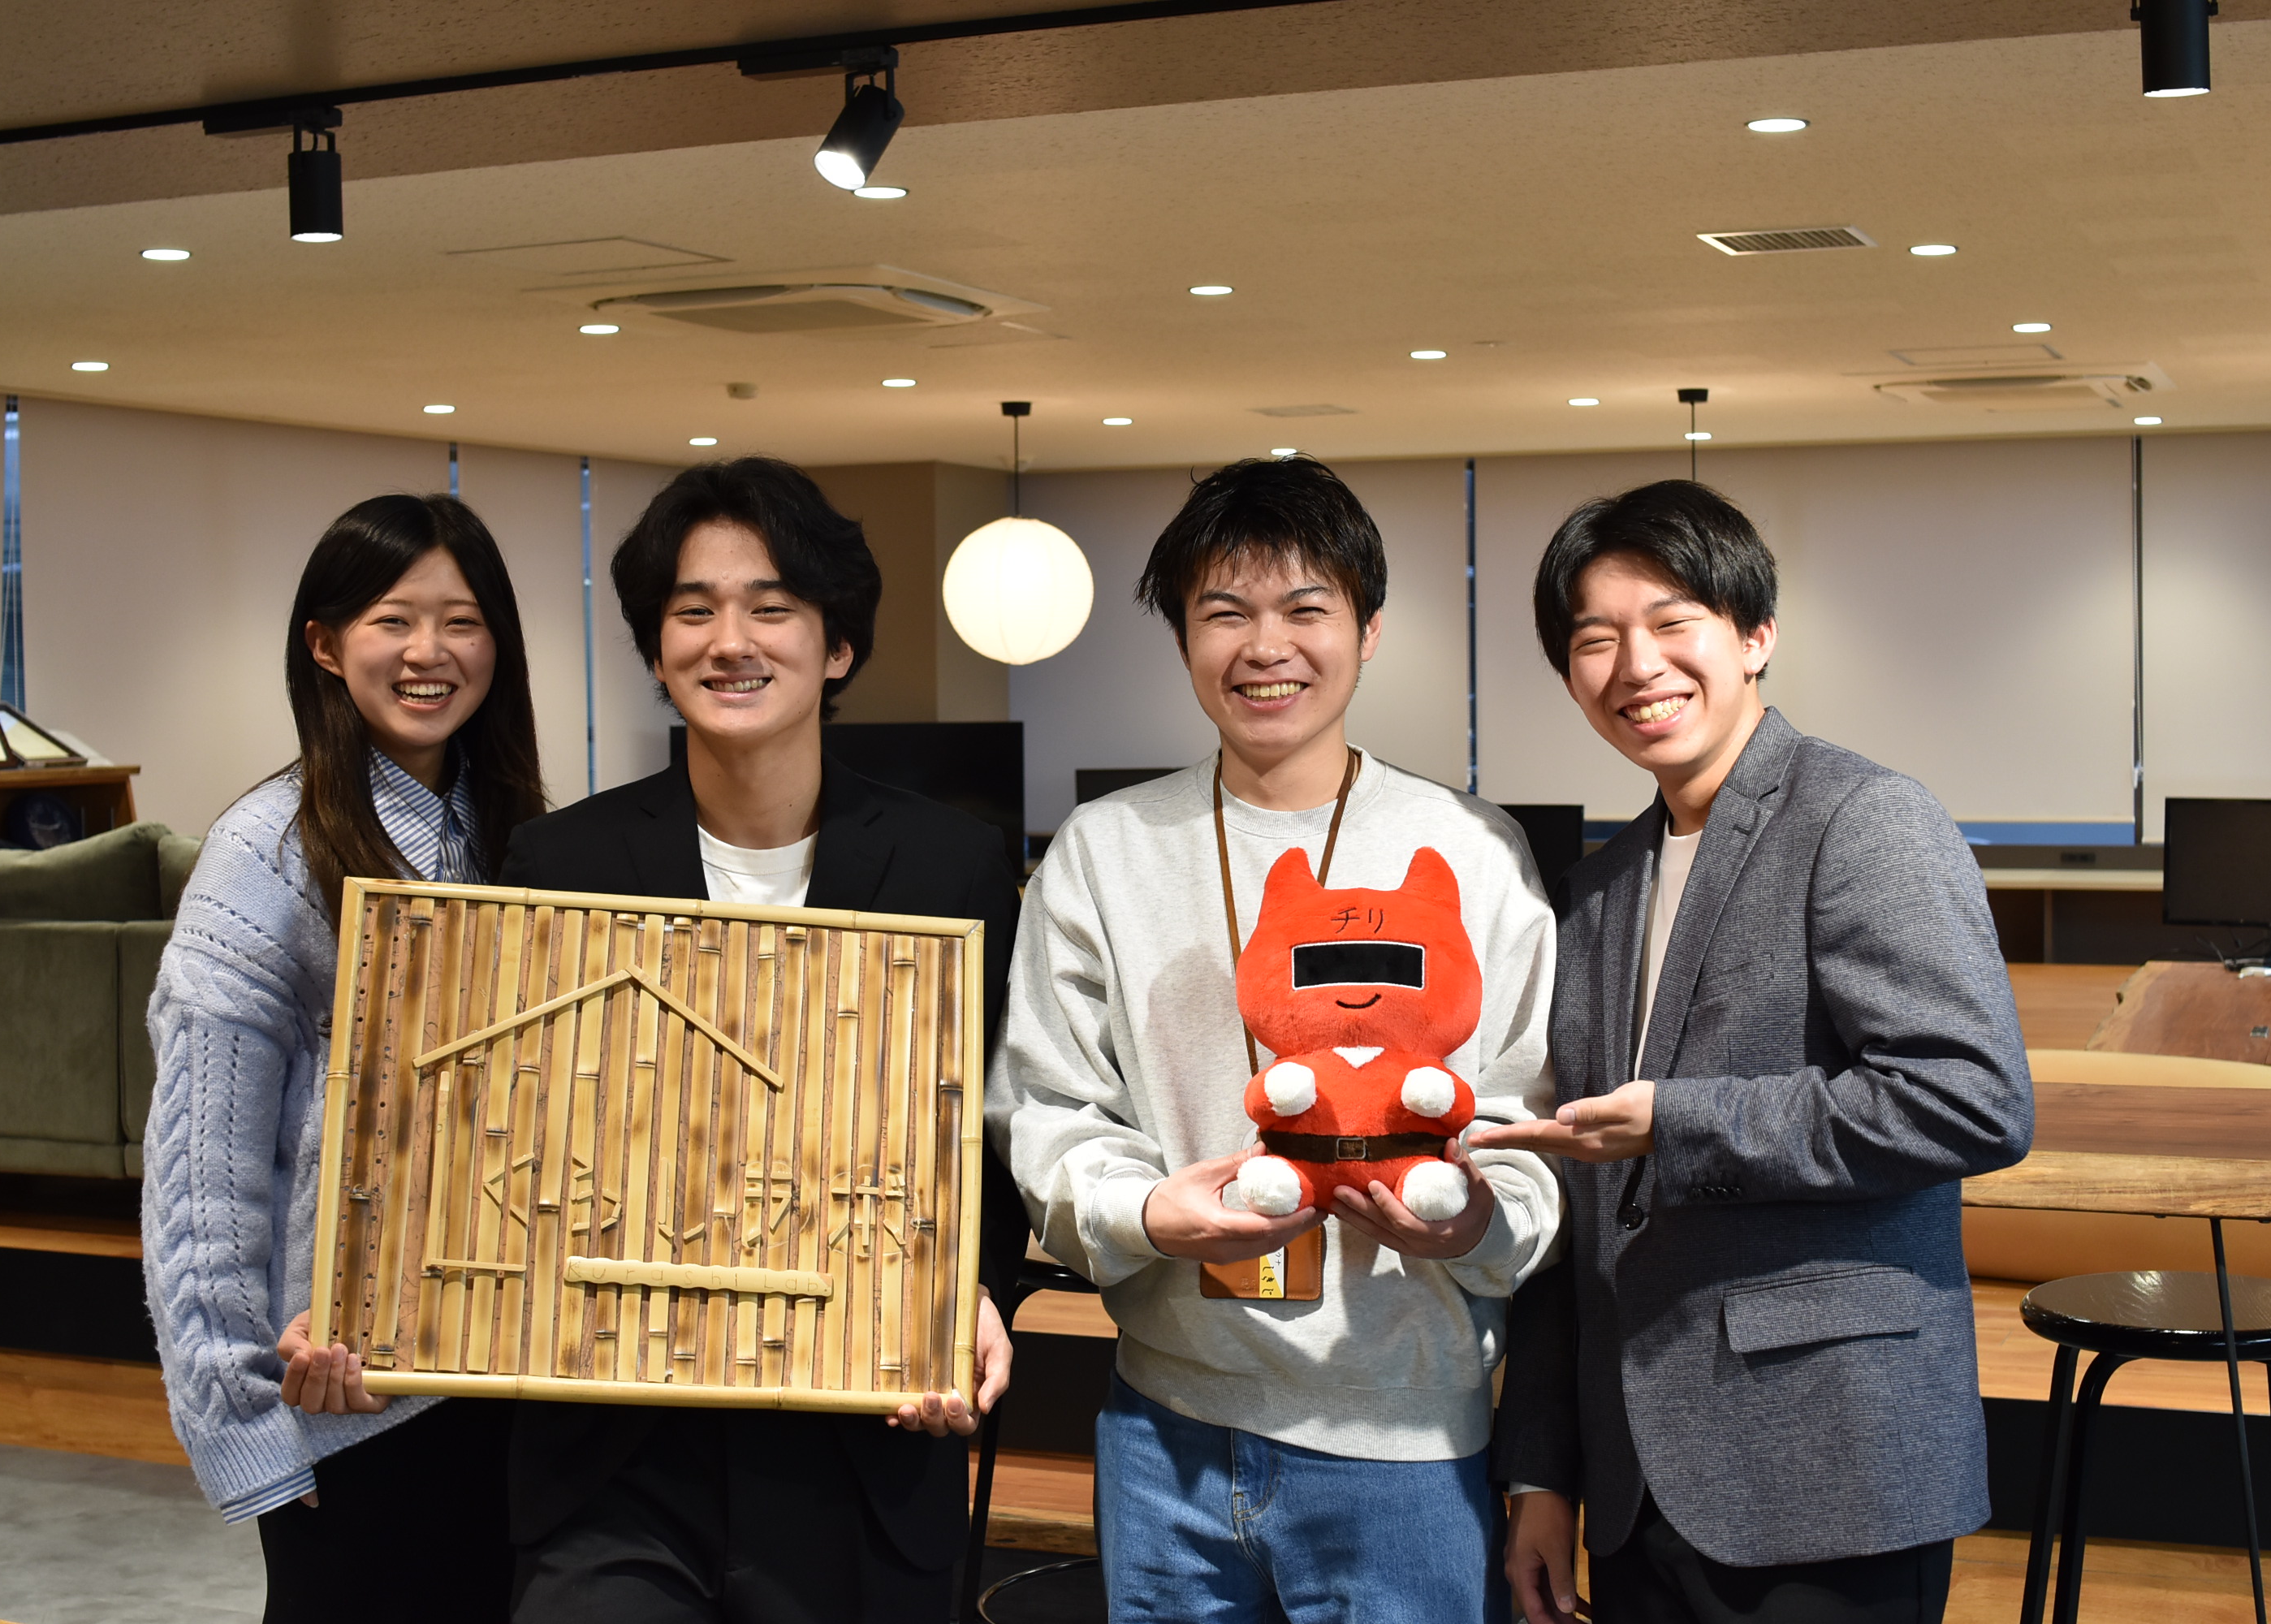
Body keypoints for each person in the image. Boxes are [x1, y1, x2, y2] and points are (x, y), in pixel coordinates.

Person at [989, 456, 1562, 1623]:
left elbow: (1527, 1123)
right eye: (1225, 613)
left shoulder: (1470, 850)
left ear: (1369, 628)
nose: (1267, 647)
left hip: (1404, 1437)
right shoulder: (1103, 850)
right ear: (1182, 638)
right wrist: (1151, 1214)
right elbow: (1050, 1107)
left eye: (1306, 609)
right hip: (1163, 1434)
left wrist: (1470, 1222)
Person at [1479, 479, 2035, 1624]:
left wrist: (1678, 1124)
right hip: (1633, 1481)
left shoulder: (1863, 818)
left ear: (1755, 635)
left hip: (1828, 1461)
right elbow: (1576, 1214)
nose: (1637, 665)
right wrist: (1541, 1472)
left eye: (1672, 621)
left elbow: (1970, 1100)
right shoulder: (1596, 891)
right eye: (1595, 638)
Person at [494, 456, 1024, 1623]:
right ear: (656, 650)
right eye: (694, 611)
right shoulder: (562, 864)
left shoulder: (950, 866)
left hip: (863, 1430)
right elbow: (515, 1129)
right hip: (616, 1448)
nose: (730, 641)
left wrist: (972, 1288)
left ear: (838, 647)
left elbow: (991, 1129)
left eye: (770, 607)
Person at [142, 493, 546, 1621]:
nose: (429, 653)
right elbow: (201, 1180)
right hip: (350, 1399)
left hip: (522, 1377)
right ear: (324, 646)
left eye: (461, 622)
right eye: (392, 621)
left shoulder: (523, 836)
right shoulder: (264, 853)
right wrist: (244, 1426)